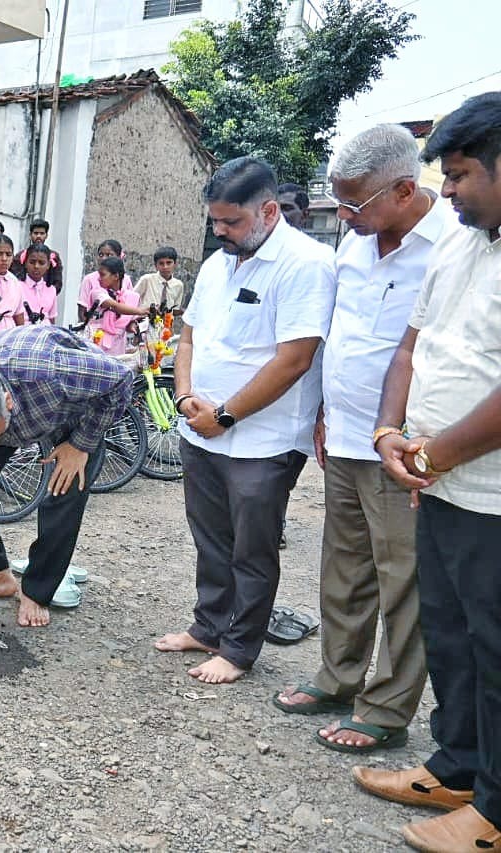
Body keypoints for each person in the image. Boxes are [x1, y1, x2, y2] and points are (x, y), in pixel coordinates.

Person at [271, 125, 454, 753]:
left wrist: (410, 433)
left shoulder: (452, 246)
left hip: (403, 444)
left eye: (355, 205)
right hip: (346, 434)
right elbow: (340, 335)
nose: (345, 218)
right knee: (343, 567)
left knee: (402, 575)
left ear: (405, 190)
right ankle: (338, 675)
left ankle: (388, 706)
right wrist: (323, 407)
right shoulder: (355, 246)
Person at [352, 94, 501, 853]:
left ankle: (497, 814)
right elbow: (413, 347)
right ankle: (459, 766)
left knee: (496, 645)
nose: (451, 190)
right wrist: (389, 430)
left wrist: (431, 454)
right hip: (438, 483)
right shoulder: (461, 245)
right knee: (450, 634)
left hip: (492, 497)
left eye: (465, 173)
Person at [155, 156, 336, 685]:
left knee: (251, 548)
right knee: (210, 538)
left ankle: (239, 649)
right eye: (214, 221)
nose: (219, 231)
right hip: (201, 428)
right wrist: (185, 394)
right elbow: (189, 335)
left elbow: (295, 358)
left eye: (230, 222)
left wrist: (227, 415)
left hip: (262, 439)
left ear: (270, 211)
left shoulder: (306, 263)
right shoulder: (217, 263)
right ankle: (208, 626)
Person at [0, 325, 131, 627]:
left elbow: (120, 379)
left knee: (65, 489)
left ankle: (36, 590)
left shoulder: (50, 370)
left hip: (73, 414)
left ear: (7, 402)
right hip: (8, 413)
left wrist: (81, 444)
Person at [86, 256, 145, 355]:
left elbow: (130, 323)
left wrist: (133, 326)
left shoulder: (132, 297)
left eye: (102, 275)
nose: (99, 279)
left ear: (116, 276)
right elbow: (114, 306)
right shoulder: (97, 292)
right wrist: (141, 311)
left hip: (118, 344)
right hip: (97, 341)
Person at [76, 239, 133, 323]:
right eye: (101, 255)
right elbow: (82, 310)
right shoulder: (89, 279)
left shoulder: (126, 280)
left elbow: (130, 306)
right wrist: (87, 328)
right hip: (95, 330)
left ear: (119, 257)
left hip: (119, 330)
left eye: (109, 255)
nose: (103, 258)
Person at [11, 218, 63, 291]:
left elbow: (57, 282)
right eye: (35, 233)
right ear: (30, 235)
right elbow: (15, 278)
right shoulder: (20, 256)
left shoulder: (54, 257)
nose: (38, 236)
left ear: (46, 235)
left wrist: (48, 293)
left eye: (42, 233)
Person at [18, 244, 58, 324]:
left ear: (48, 265)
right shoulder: (17, 287)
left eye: (41, 263)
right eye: (32, 262)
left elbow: (52, 319)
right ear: (25, 263)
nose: (36, 266)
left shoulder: (51, 290)